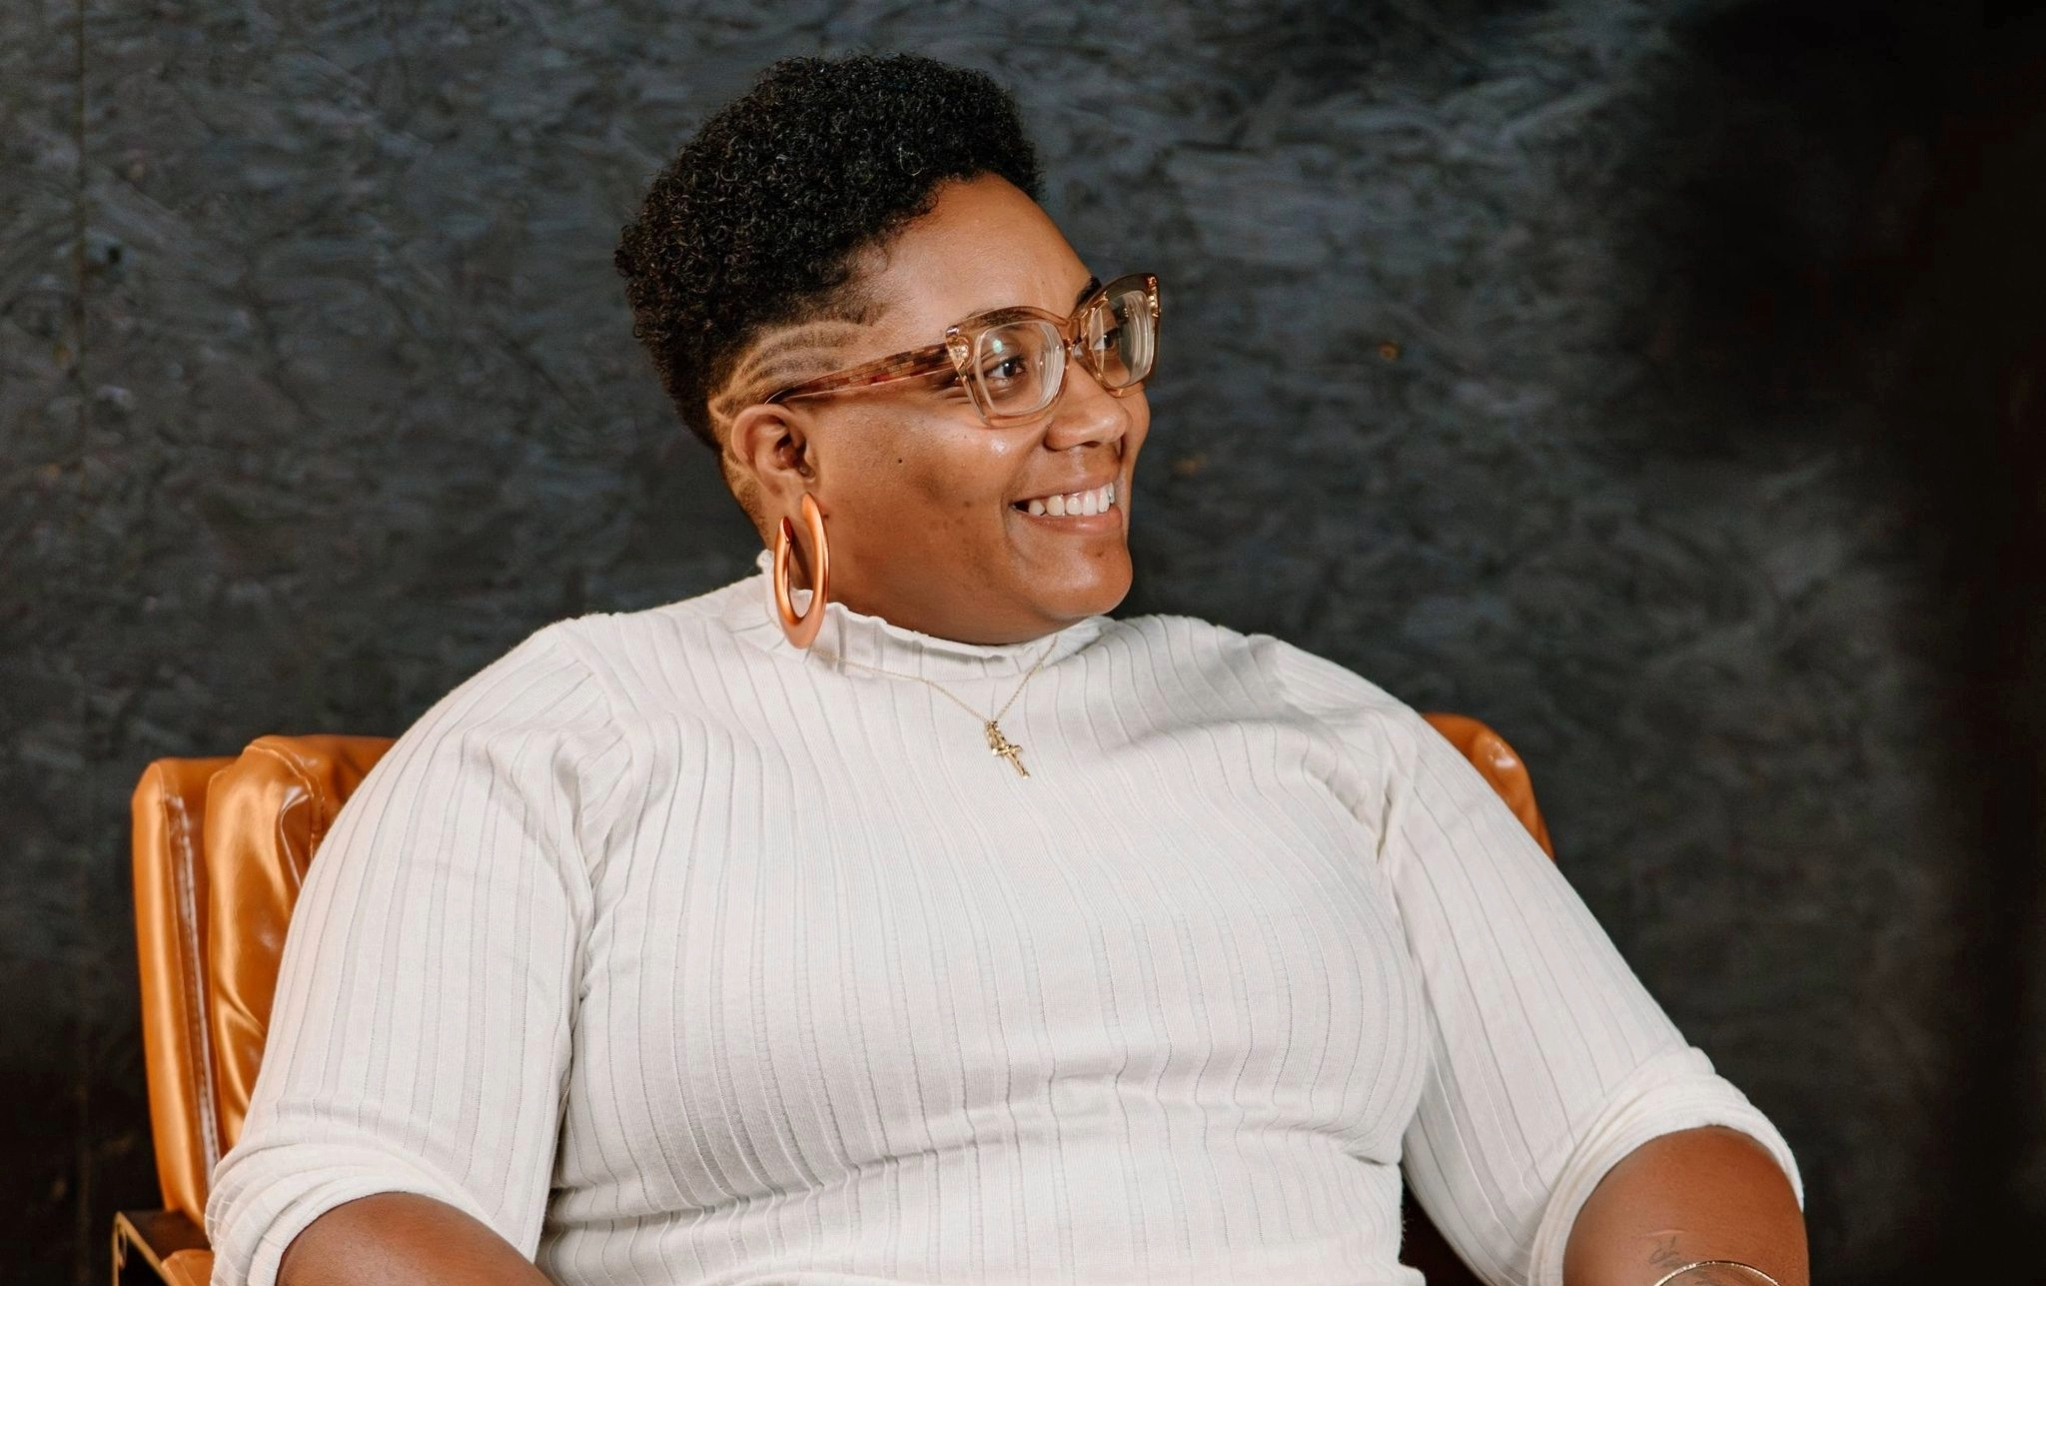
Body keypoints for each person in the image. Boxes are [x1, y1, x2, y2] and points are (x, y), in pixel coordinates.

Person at [205, 52, 1807, 1285]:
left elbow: (1625, 1131)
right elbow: (344, 1200)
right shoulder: (558, 743)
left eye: (1099, 336)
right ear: (782, 451)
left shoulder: (1319, 734)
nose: (1100, 412)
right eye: (1000, 367)